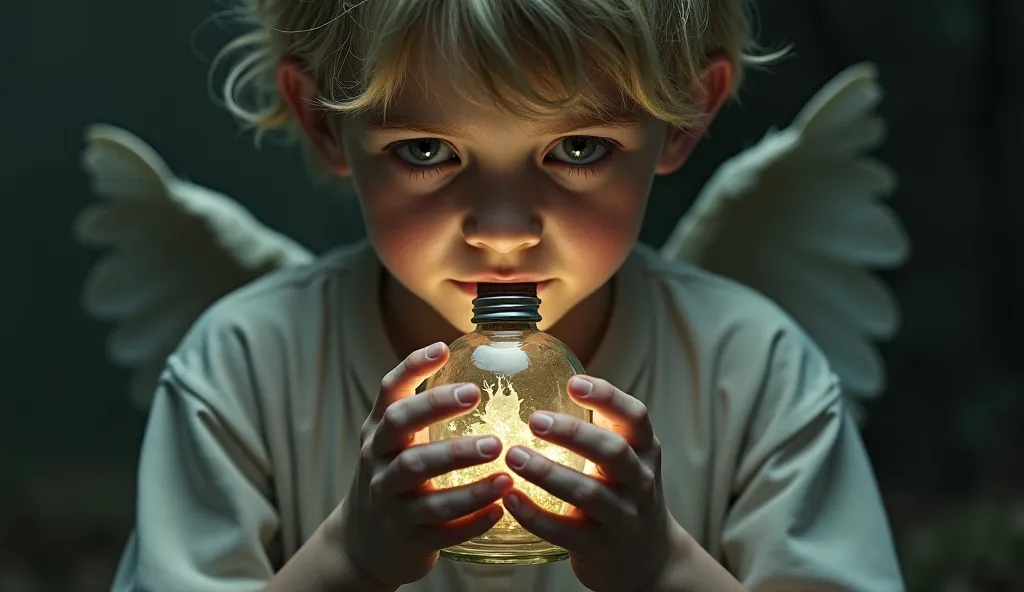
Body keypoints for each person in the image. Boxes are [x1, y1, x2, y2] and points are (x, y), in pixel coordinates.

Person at [109, 0, 905, 590]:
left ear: (687, 118)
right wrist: (348, 560)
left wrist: (662, 568)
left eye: (577, 148)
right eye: (426, 150)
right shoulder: (245, 365)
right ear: (321, 119)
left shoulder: (752, 368)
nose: (501, 232)